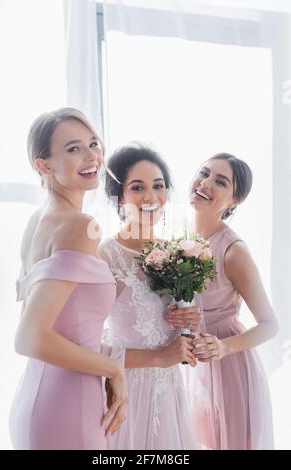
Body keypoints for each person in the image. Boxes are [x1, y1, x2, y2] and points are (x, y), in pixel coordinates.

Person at [9, 108, 127, 450]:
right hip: (68, 403)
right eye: (74, 149)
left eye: (93, 144)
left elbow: (57, 325)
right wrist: (114, 369)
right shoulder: (79, 226)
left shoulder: (38, 221)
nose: (92, 156)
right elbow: (29, 337)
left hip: (38, 395)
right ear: (43, 165)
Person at [99, 144, 200, 450]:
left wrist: (191, 323)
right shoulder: (106, 256)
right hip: (127, 392)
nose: (151, 197)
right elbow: (87, 342)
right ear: (120, 196)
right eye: (137, 187)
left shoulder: (177, 252)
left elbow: (178, 330)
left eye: (158, 186)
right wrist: (157, 357)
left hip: (170, 392)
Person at [188, 152, 278, 450]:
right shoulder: (182, 241)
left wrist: (223, 347)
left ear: (234, 200)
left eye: (220, 181)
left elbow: (270, 325)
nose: (205, 183)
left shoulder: (233, 250)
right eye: (204, 173)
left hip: (231, 369)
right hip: (197, 368)